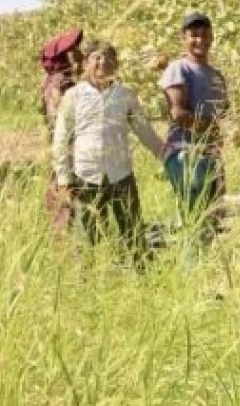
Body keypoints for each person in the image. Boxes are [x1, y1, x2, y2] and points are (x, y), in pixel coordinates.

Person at [52, 41, 164, 264]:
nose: (103, 62)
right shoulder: (74, 96)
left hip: (120, 174)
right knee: (87, 236)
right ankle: (84, 282)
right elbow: (61, 139)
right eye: (97, 58)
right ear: (86, 63)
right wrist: (63, 178)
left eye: (109, 58)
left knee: (131, 231)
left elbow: (144, 130)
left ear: (116, 65)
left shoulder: (125, 95)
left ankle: (138, 276)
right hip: (86, 176)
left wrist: (165, 154)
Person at [159, 12, 231, 237]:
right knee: (194, 214)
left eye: (205, 34)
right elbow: (179, 113)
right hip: (186, 150)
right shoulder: (179, 68)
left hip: (211, 152)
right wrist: (211, 128)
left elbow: (225, 113)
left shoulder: (216, 76)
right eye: (194, 35)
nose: (200, 40)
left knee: (214, 214)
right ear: (183, 38)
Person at [39, 28, 84, 233]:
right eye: (75, 51)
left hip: (57, 146)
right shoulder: (65, 84)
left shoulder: (49, 81)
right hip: (70, 148)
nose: (80, 54)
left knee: (59, 193)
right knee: (69, 196)